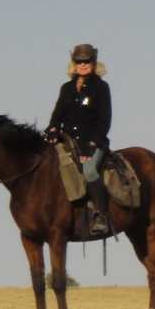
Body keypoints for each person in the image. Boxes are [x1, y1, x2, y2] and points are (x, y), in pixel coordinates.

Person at [47, 43, 112, 236]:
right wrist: (52, 128)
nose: (83, 64)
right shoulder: (66, 88)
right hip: (67, 140)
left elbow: (105, 119)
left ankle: (102, 215)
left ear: (93, 63)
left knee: (90, 170)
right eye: (79, 61)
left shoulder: (101, 88)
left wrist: (91, 146)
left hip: (93, 142)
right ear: (73, 63)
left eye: (87, 61)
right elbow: (57, 113)